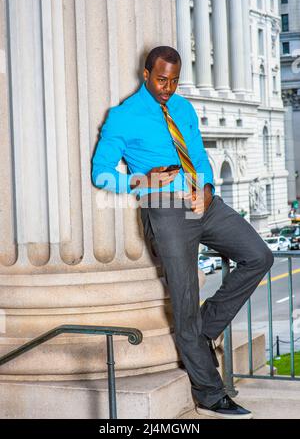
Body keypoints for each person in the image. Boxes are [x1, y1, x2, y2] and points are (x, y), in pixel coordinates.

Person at [92, 46, 274, 419]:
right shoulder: (123, 117)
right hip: (165, 209)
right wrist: (144, 179)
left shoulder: (183, 107)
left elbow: (198, 153)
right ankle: (209, 394)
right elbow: (101, 172)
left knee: (259, 256)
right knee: (185, 299)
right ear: (146, 74)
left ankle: (203, 329)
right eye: (161, 79)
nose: (167, 88)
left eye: (174, 81)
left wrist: (206, 187)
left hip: (202, 203)